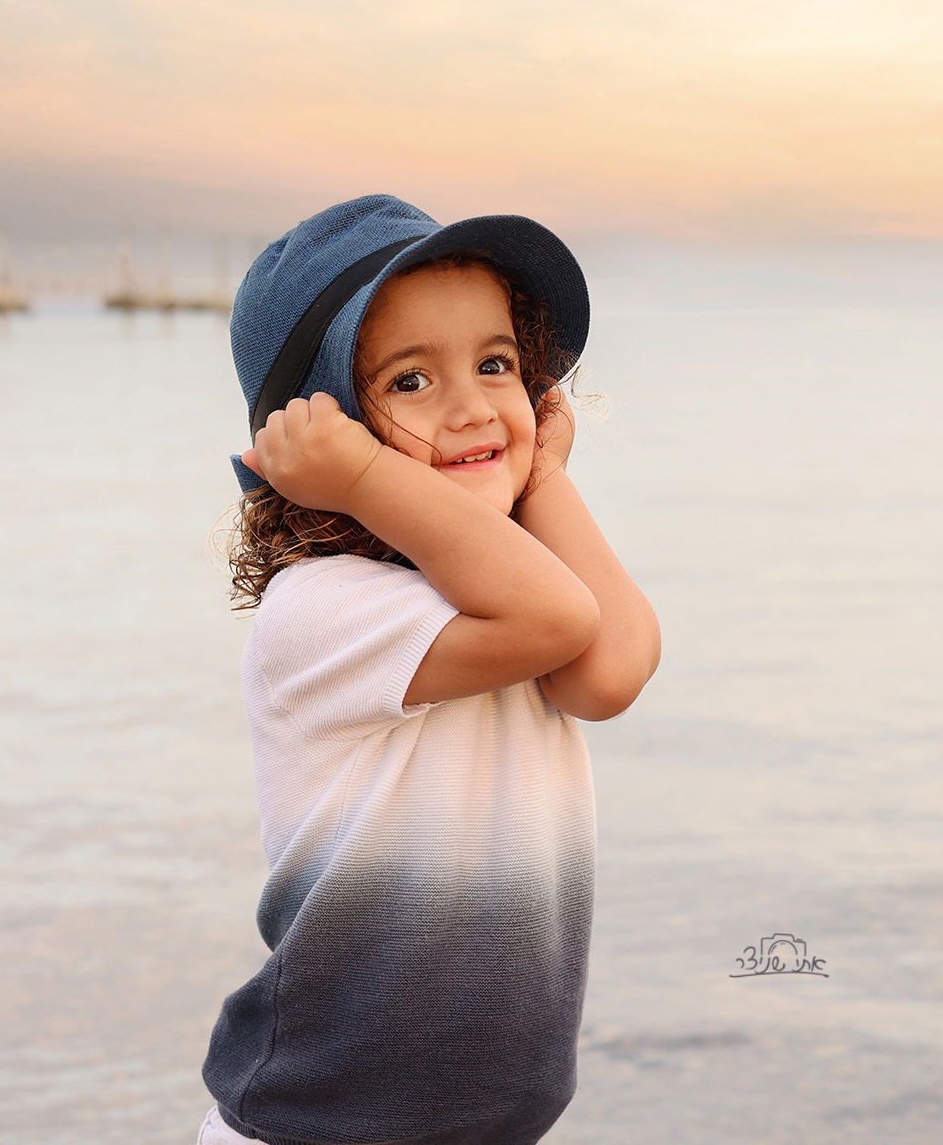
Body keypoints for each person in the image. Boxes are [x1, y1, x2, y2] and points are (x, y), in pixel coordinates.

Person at [196, 194, 661, 1145]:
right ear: (321, 441)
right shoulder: (323, 610)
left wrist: (544, 478)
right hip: (318, 1128)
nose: (472, 406)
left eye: (497, 365)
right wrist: (370, 482)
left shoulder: (502, 588)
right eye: (409, 382)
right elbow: (561, 617)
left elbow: (608, 671)